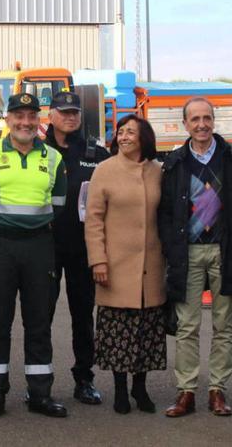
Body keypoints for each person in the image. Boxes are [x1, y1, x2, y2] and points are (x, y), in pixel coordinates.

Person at [157, 96, 232, 418]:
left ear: (214, 121)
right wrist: (169, 247)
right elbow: (164, 211)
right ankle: (186, 391)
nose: (201, 124)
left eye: (207, 118)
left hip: (224, 252)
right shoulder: (174, 161)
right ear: (185, 124)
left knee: (222, 325)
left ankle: (218, 390)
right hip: (187, 253)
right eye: (195, 119)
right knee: (187, 326)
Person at [0, 92, 69, 419]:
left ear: (39, 121)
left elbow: (58, 207)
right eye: (18, 116)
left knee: (39, 322)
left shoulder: (53, 158)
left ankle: (39, 393)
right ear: (7, 119)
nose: (25, 122)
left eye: (31, 117)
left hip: (40, 247)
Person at [84, 114, 166, 415]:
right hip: (115, 265)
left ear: (145, 137)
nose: (124, 136)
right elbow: (93, 220)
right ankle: (120, 389)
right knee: (119, 333)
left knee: (146, 332)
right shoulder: (105, 170)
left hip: (152, 266)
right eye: (120, 132)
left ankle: (140, 388)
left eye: (131, 132)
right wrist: (98, 260)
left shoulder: (158, 171)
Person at [43, 91, 110, 405]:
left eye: (74, 113)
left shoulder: (96, 153)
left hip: (84, 247)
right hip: (46, 246)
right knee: (40, 315)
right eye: (64, 112)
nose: (70, 117)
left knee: (83, 316)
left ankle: (84, 378)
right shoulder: (39, 150)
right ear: (51, 115)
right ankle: (39, 380)